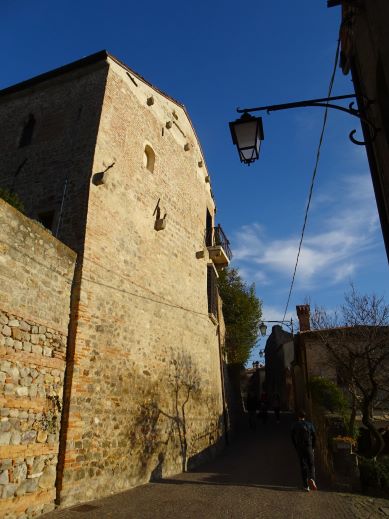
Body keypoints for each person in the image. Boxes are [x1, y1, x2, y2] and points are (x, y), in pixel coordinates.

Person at [291, 409, 317, 491]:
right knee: (311, 464)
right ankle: (312, 478)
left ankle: (306, 486)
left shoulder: (295, 425)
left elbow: (292, 436)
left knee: (303, 465)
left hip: (300, 447)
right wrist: (313, 447)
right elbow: (315, 436)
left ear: (298, 417)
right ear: (305, 417)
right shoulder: (309, 424)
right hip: (308, 446)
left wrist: (295, 446)